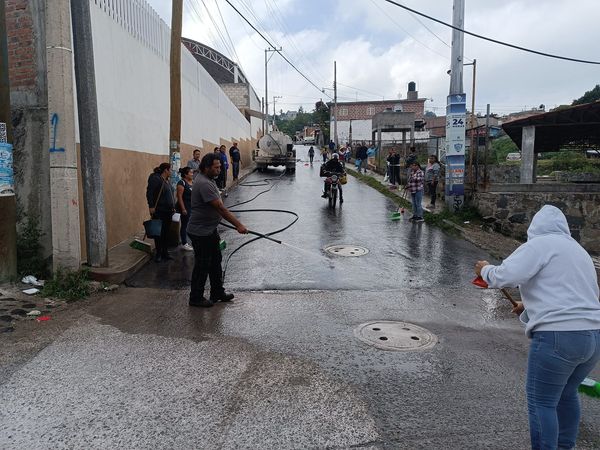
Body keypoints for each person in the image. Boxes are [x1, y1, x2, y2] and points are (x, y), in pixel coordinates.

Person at [475, 205, 600, 450]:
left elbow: (505, 276)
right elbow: (568, 293)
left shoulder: (540, 244)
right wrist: (528, 305)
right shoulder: (578, 250)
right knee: (567, 394)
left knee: (542, 402)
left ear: (535, 227)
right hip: (593, 337)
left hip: (558, 338)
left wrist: (485, 269)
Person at [187, 153, 248, 307]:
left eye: (220, 167)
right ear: (206, 167)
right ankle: (195, 298)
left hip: (209, 230)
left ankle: (217, 292)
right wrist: (238, 225)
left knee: (215, 262)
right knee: (202, 265)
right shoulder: (205, 183)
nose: (219, 170)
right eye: (216, 167)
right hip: (201, 232)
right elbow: (220, 208)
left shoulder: (207, 179)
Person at [146, 163, 175, 262]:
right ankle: (158, 253)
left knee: (166, 233)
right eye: (170, 170)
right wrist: (151, 206)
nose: (171, 172)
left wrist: (173, 206)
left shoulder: (167, 181)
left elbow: (170, 194)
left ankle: (165, 252)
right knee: (158, 233)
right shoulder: (156, 179)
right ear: (166, 170)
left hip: (168, 211)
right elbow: (149, 192)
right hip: (159, 210)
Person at [176, 166, 194, 251]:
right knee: (185, 225)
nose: (192, 174)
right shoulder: (181, 183)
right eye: (190, 172)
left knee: (191, 225)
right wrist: (183, 209)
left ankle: (191, 241)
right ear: (186, 174)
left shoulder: (192, 182)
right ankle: (184, 243)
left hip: (191, 207)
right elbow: (179, 197)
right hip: (185, 207)